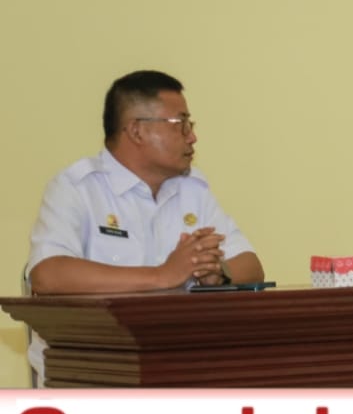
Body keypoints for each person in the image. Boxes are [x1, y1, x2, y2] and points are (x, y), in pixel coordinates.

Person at [25, 70, 265, 380]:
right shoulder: (77, 188)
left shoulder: (191, 189)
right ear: (137, 131)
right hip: (90, 371)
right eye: (180, 124)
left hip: (178, 366)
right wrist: (162, 275)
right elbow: (47, 275)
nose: (192, 137)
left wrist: (218, 274)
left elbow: (251, 266)